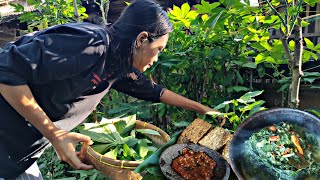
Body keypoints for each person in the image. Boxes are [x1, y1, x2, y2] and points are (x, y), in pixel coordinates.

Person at [0, 0, 223, 179]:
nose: (157, 58)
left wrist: (203, 109)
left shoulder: (117, 63)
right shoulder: (90, 44)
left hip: (21, 155)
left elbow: (155, 91)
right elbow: (5, 70)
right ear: (142, 39)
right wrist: (55, 134)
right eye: (159, 49)